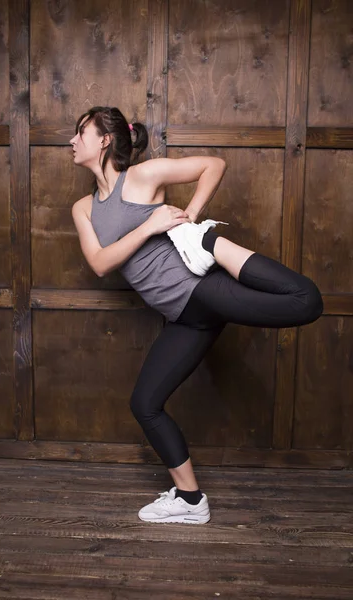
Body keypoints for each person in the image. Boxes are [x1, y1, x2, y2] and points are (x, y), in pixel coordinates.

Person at [70, 106, 323, 525]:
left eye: (82, 132)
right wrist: (149, 227)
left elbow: (213, 165)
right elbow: (99, 262)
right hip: (184, 317)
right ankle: (190, 500)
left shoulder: (141, 177)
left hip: (200, 291)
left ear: (105, 140)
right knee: (145, 404)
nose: (72, 140)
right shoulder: (84, 208)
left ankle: (211, 243)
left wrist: (191, 219)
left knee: (307, 301)